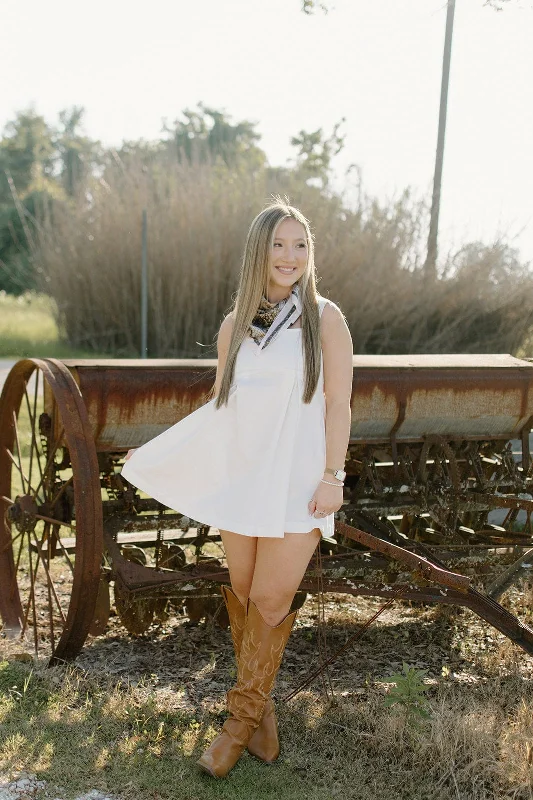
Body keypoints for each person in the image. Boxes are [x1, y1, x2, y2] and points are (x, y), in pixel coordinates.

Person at [121, 198, 353, 778]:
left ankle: (236, 726)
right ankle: (263, 721)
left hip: (299, 484)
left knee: (271, 601)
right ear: (259, 251)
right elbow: (220, 412)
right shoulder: (235, 327)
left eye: (301, 245)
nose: (291, 256)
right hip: (245, 481)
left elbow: (339, 404)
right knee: (247, 597)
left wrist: (332, 476)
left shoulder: (325, 319)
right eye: (279, 244)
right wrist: (157, 453)